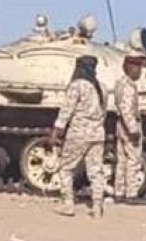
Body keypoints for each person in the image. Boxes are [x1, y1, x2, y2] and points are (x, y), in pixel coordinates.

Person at [50, 55, 107, 218]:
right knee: (96, 171)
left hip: (78, 133)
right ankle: (97, 206)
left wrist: (57, 130)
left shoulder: (77, 86)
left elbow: (66, 111)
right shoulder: (101, 87)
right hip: (97, 133)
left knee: (66, 168)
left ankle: (68, 203)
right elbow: (103, 113)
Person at [113, 52, 146, 203]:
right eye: (137, 67)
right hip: (129, 125)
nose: (140, 71)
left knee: (122, 160)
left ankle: (119, 192)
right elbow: (125, 109)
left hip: (121, 125)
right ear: (130, 67)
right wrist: (133, 129)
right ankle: (131, 194)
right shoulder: (128, 86)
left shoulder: (121, 83)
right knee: (133, 159)